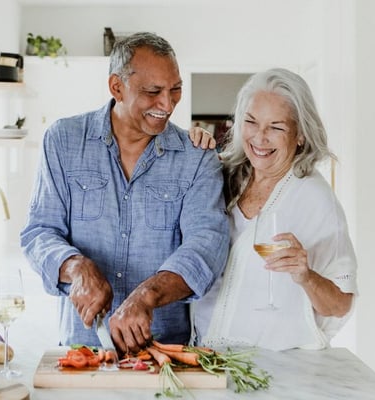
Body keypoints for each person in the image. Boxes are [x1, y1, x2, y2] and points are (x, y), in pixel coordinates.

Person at [20, 32, 230, 353]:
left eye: (175, 90)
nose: (167, 104)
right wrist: (76, 267)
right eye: (152, 91)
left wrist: (146, 295)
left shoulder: (197, 156)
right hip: (82, 349)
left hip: (164, 352)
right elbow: (39, 232)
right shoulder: (63, 140)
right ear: (117, 87)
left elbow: (206, 246)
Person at [191, 68, 357, 351]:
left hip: (272, 367)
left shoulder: (315, 199)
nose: (259, 137)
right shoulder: (223, 175)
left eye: (276, 127)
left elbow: (340, 304)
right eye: (251, 122)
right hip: (204, 354)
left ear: (300, 135)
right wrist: (189, 147)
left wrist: (306, 276)